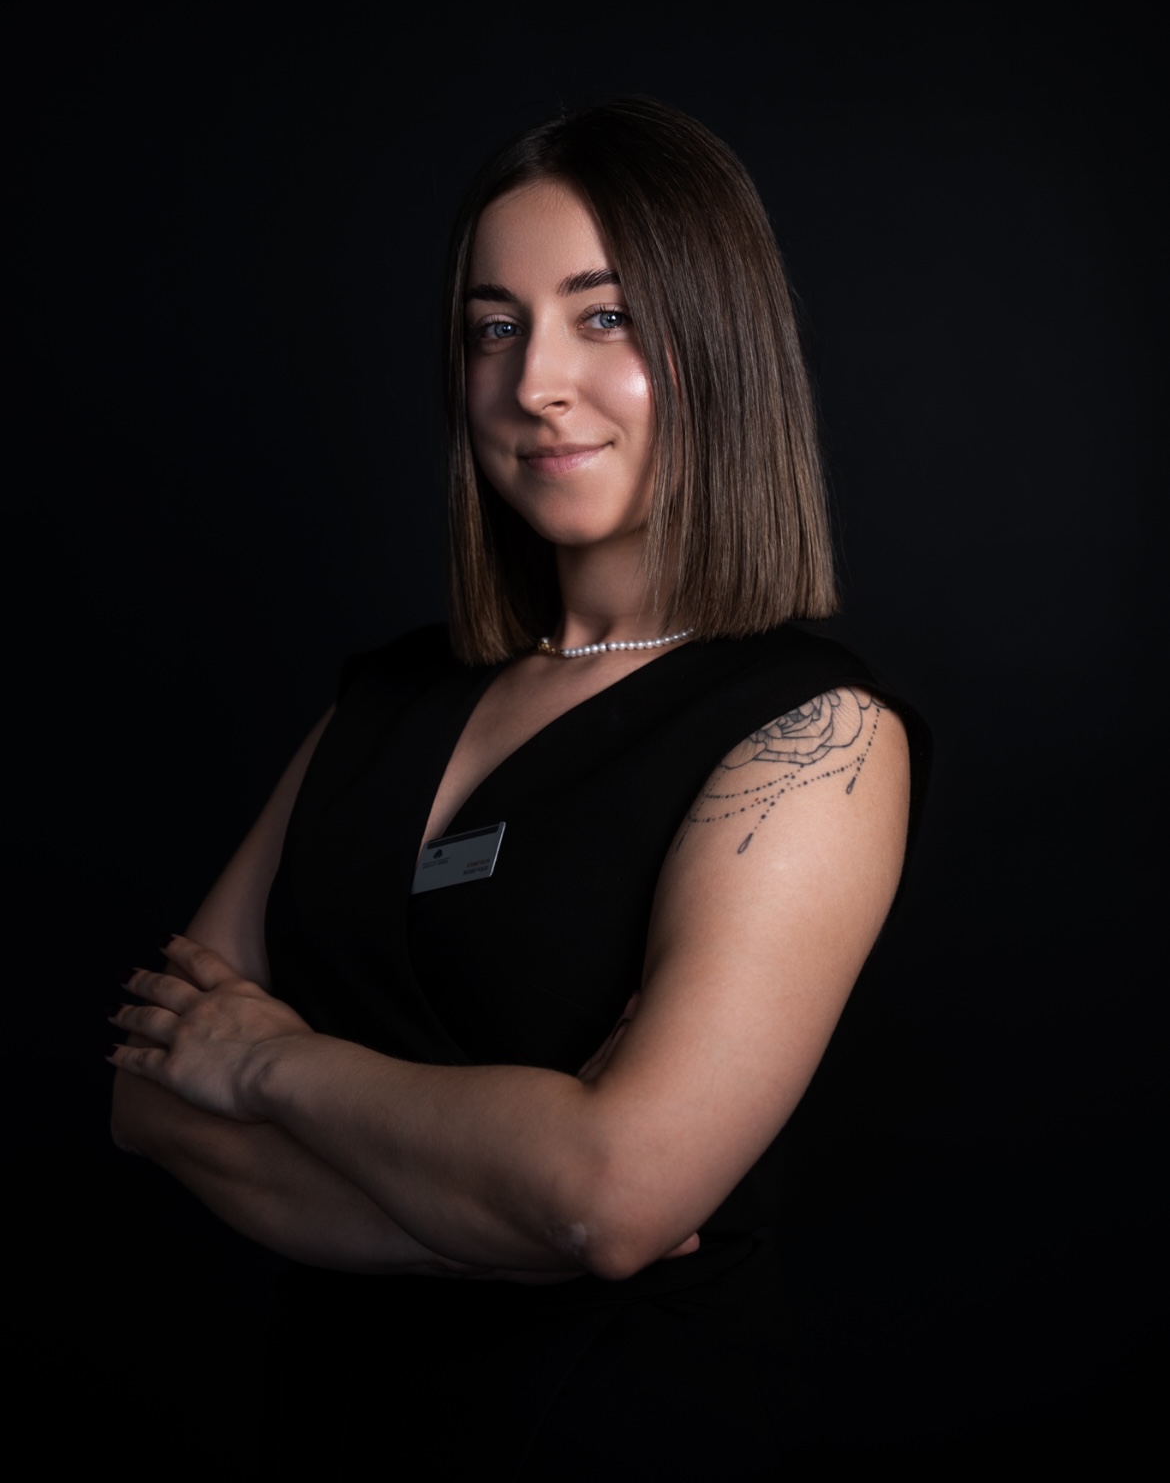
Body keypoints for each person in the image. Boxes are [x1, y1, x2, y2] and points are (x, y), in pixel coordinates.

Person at [110, 97, 928, 1475]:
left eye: (604, 317)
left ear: (721, 344)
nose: (534, 381)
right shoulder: (385, 698)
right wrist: (500, 1230)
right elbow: (146, 1098)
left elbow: (611, 1196)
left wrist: (267, 1064)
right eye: (494, 327)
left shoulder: (812, 733)